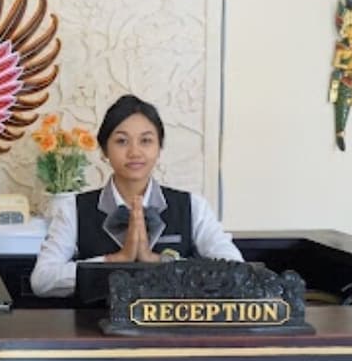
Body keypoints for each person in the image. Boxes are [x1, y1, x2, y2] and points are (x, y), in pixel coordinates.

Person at [31, 95, 242, 297]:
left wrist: (157, 261)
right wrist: (114, 260)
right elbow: (42, 280)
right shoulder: (73, 209)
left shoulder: (193, 206)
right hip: (96, 321)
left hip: (173, 322)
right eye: (122, 141)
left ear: (159, 148)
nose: (134, 152)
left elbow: (236, 271)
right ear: (104, 150)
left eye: (146, 140)